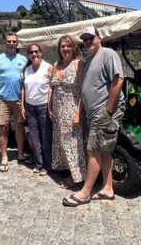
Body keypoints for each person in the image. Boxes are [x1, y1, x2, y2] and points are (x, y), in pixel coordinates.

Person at [62, 26, 124, 207]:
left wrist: (108, 110)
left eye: (91, 37)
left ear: (99, 38)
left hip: (103, 112)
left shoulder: (108, 53)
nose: (88, 41)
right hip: (94, 112)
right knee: (104, 151)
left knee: (93, 151)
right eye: (85, 39)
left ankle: (85, 193)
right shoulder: (89, 60)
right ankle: (108, 188)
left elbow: (118, 79)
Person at [0, 31, 30, 172]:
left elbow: (28, 79)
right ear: (5, 43)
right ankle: (4, 157)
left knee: (19, 127)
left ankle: (20, 154)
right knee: (3, 128)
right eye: (9, 41)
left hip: (19, 100)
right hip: (2, 100)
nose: (12, 44)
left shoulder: (23, 59)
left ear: (17, 43)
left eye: (14, 41)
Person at [49, 35, 86, 188]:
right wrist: (49, 107)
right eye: (62, 46)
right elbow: (52, 88)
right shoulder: (56, 64)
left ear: (73, 48)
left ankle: (78, 176)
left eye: (68, 46)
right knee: (61, 143)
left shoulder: (78, 64)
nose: (65, 49)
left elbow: (83, 90)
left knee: (73, 144)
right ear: (59, 49)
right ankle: (68, 169)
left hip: (71, 111)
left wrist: (78, 113)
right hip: (58, 112)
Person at [21, 43, 53, 176]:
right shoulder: (27, 70)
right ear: (28, 55)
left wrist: (50, 106)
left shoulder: (48, 67)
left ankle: (47, 165)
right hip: (30, 107)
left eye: (36, 52)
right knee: (34, 137)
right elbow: (24, 88)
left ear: (41, 53)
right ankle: (38, 163)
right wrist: (22, 106)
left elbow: (52, 88)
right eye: (31, 52)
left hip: (43, 106)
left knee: (46, 137)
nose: (34, 54)